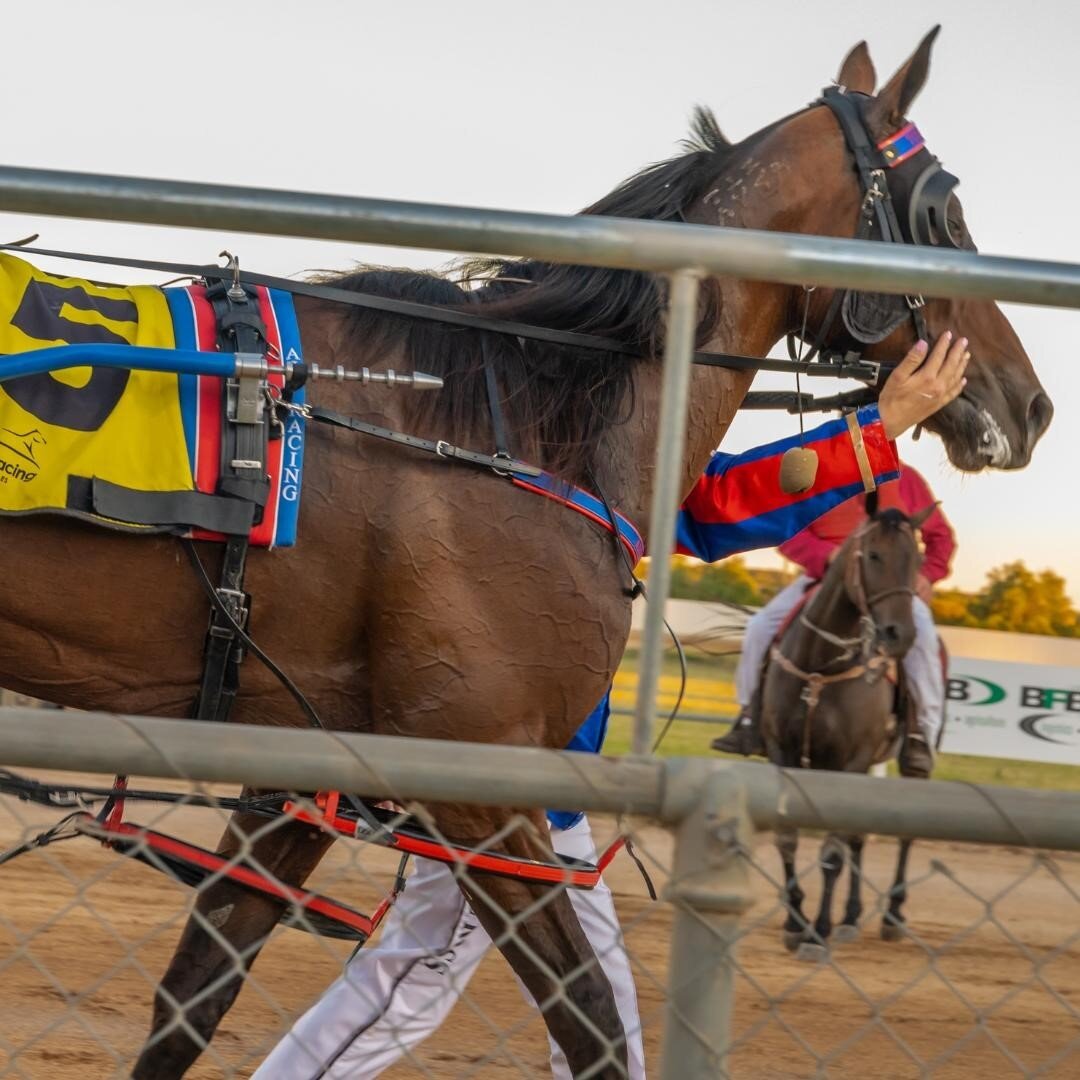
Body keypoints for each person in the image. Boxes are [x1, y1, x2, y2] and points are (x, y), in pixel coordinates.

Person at [254, 334, 969, 1079]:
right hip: (514, 773)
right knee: (421, 981)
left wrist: (875, 434)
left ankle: (918, 727)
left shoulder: (592, 437)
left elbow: (719, 501)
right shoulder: (553, 428)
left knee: (590, 1003)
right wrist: (871, 437)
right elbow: (719, 505)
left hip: (553, 781)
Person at [712, 458, 955, 775]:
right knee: (759, 626)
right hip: (824, 580)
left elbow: (941, 539)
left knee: (922, 637)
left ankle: (920, 733)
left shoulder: (905, 477)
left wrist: (925, 575)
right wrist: (829, 557)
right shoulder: (817, 475)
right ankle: (749, 719)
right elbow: (789, 532)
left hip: (888, 586)